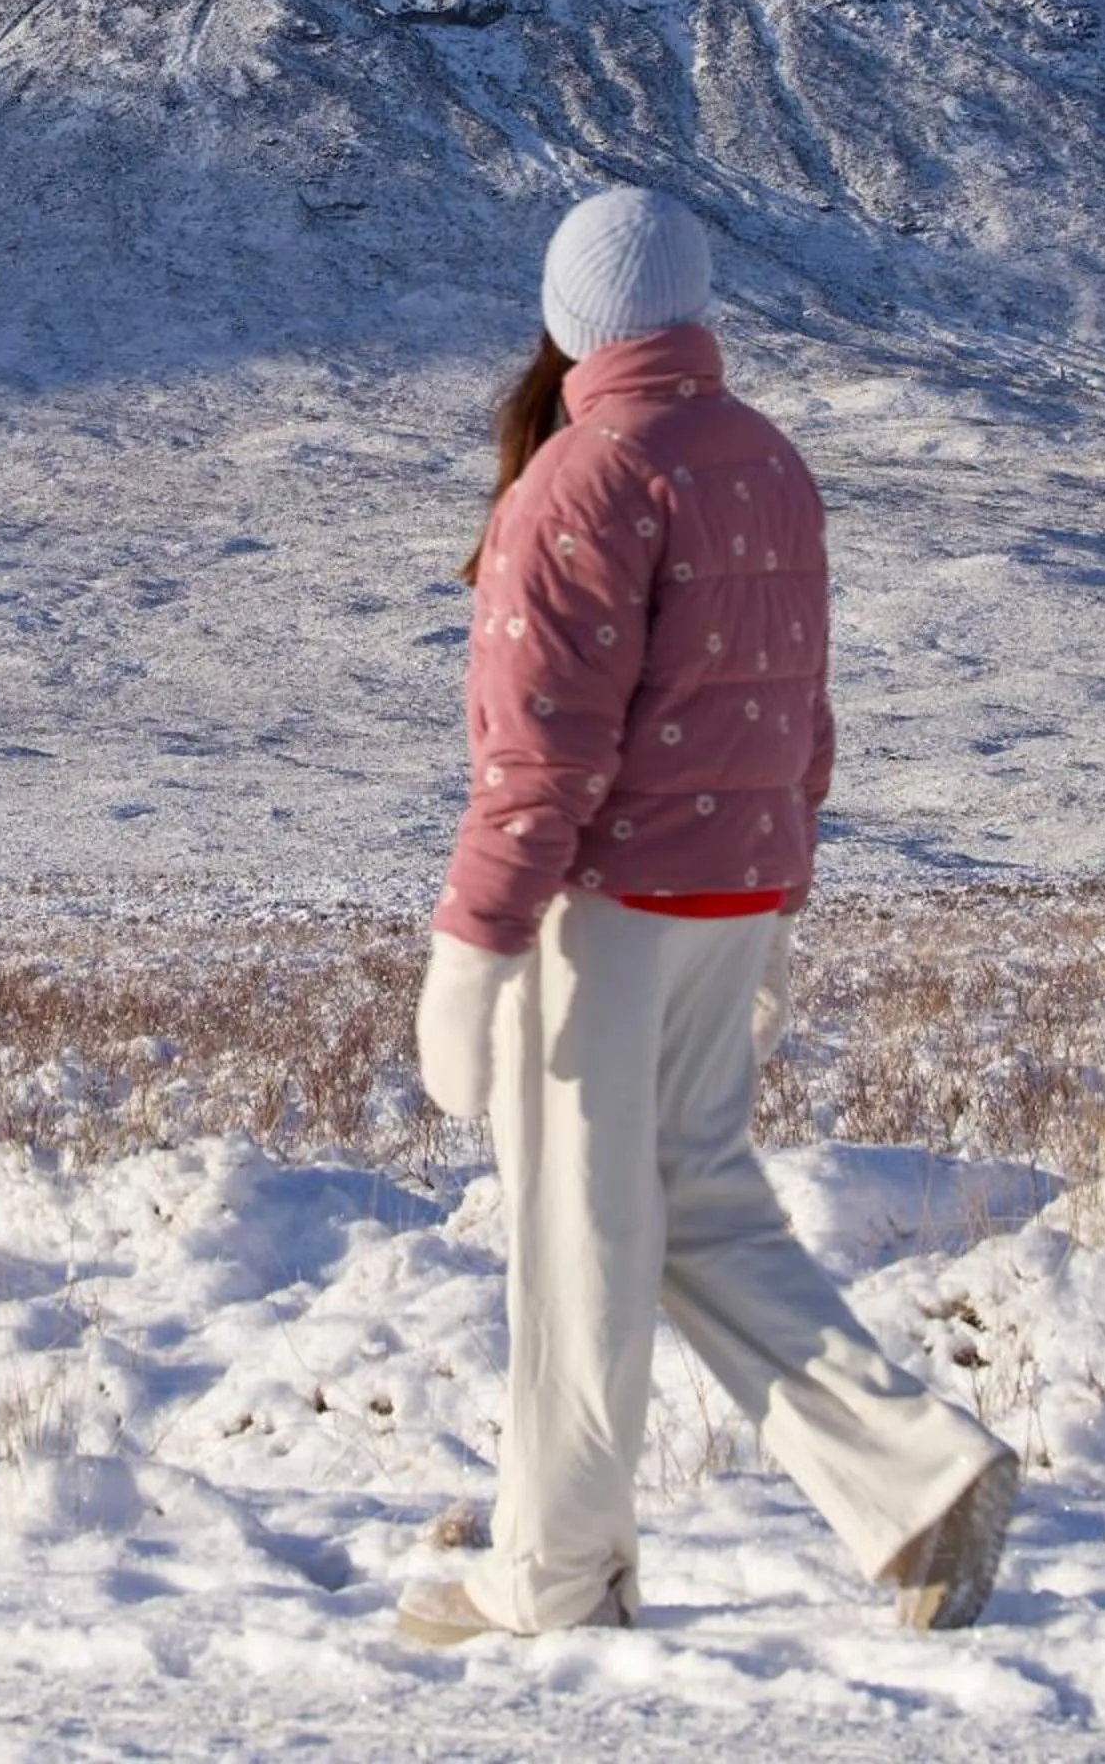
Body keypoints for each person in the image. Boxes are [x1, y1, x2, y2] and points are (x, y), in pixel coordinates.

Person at [401, 184, 1019, 1646]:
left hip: (610, 905)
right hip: (733, 883)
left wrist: (472, 951)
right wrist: (781, 899)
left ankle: (553, 1577)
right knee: (686, 1209)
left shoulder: (581, 478)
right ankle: (916, 1480)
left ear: (568, 318)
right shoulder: (765, 458)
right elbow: (803, 713)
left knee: (579, 1242)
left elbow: (540, 758)